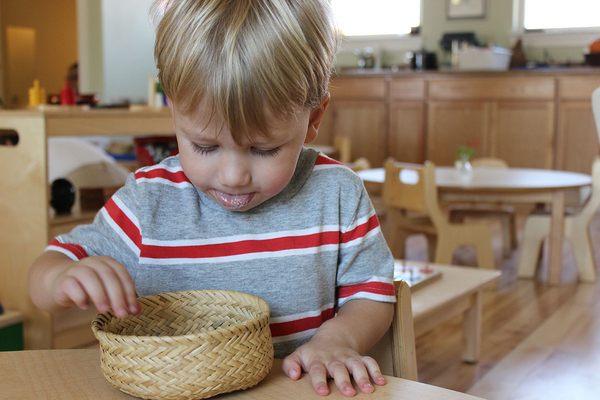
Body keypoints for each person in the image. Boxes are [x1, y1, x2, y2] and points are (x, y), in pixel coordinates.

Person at [28, 1, 396, 396]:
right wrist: (61, 279)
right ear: (174, 112)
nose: (233, 176)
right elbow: (48, 270)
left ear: (313, 118)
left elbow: (372, 294)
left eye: (264, 149)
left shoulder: (336, 193)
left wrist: (338, 339)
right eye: (204, 146)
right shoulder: (148, 202)